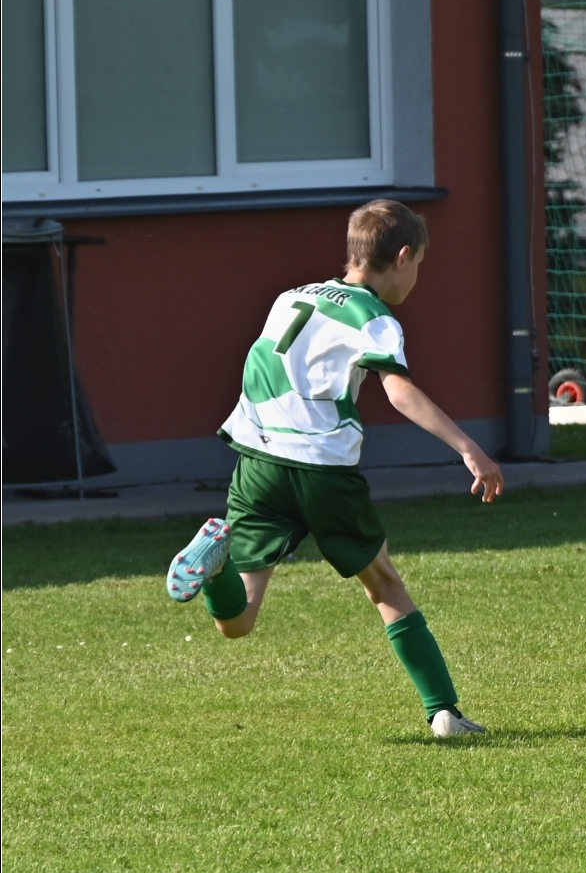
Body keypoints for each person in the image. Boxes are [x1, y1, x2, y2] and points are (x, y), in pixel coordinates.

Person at [164, 199, 505, 736]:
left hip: (258, 462)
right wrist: (469, 448)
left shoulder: (290, 297)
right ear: (403, 256)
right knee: (385, 585)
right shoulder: (375, 318)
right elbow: (399, 393)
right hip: (321, 468)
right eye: (419, 266)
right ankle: (445, 712)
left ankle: (214, 567)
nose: (416, 277)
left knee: (238, 621)